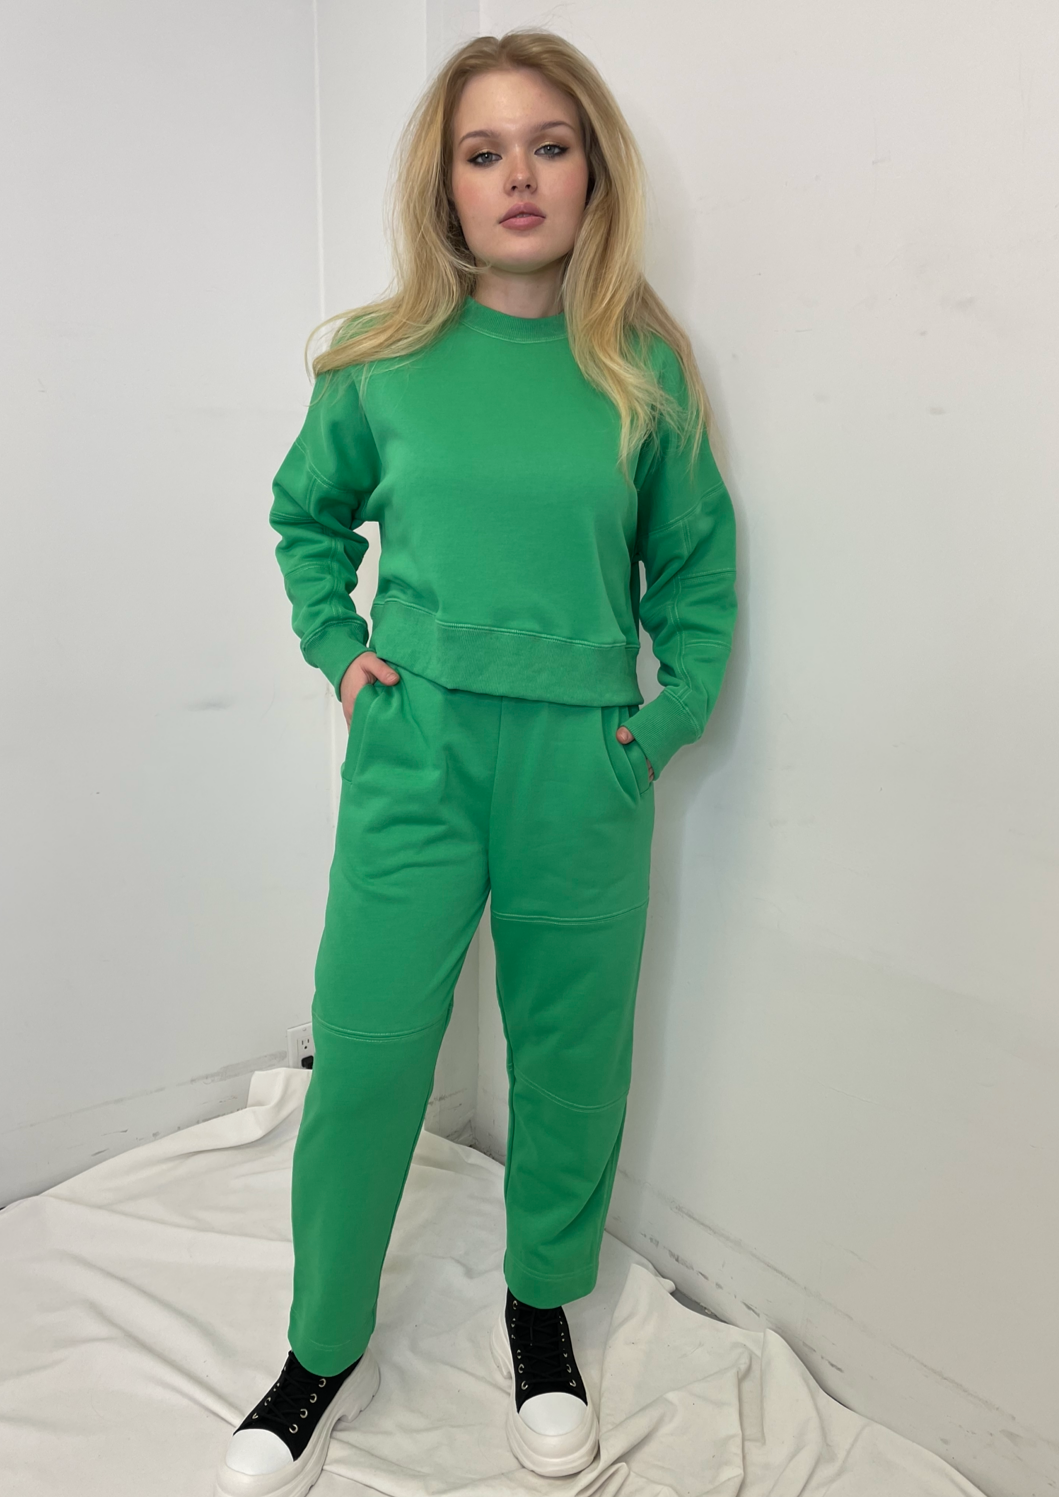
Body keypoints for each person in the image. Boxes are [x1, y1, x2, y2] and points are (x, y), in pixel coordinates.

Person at [214, 26, 737, 1497]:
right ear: (443, 183)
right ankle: (322, 1346)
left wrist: (660, 723)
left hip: (582, 762)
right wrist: (340, 651)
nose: (519, 176)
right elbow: (305, 518)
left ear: (592, 173)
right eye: (485, 150)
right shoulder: (378, 362)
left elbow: (698, 569)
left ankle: (539, 1311)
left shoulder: (641, 371)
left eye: (550, 146)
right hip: (418, 746)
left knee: (571, 1059)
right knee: (368, 1047)